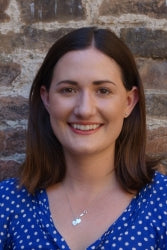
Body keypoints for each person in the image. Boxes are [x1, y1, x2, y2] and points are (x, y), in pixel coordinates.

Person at [0, 27, 166, 250]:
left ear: (129, 102)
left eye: (103, 91)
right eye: (68, 90)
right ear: (47, 99)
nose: (85, 110)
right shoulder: (7, 202)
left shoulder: (161, 203)